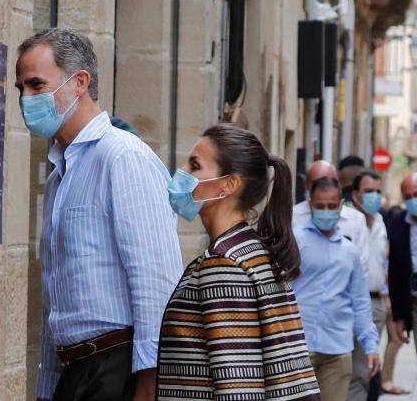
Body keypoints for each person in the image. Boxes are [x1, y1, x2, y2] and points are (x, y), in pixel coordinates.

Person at [16, 28, 182, 401]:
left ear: (79, 83)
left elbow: (155, 279)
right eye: (20, 88)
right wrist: (48, 386)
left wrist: (150, 383)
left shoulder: (123, 157)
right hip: (76, 372)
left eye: (37, 85)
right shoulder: (62, 170)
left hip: (116, 367)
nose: (26, 99)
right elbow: (59, 293)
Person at [156, 123, 321, 400]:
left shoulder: (224, 264)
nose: (182, 171)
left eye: (195, 165)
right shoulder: (251, 251)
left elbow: (237, 385)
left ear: (229, 184)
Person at [292, 177, 380, 401]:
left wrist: (371, 346)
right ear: (311, 204)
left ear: (340, 205)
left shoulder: (350, 251)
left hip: (337, 349)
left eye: (331, 206)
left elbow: (360, 301)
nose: (326, 211)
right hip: (299, 347)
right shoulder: (296, 241)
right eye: (320, 206)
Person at [347, 171, 389, 401]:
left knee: (366, 368)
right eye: (368, 191)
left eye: (378, 192)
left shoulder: (382, 223)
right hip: (352, 303)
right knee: (350, 370)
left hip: (376, 302)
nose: (374, 196)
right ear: (356, 194)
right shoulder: (349, 222)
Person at [293, 160, 370, 274]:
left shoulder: (356, 219)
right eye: (317, 183)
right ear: (307, 185)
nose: (324, 187)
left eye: (330, 181)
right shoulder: (292, 216)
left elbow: (362, 266)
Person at [387, 172, 417, 367]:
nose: (413, 199)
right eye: (408, 196)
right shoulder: (398, 224)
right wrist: (399, 317)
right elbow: (396, 275)